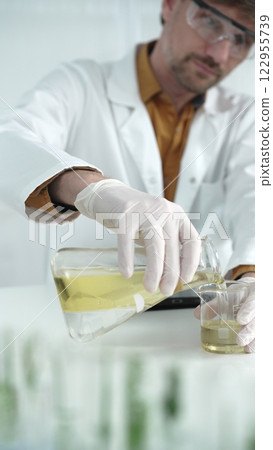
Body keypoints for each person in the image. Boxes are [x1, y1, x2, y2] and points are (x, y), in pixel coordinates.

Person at [0, 0, 255, 351]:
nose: (221, 51)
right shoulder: (82, 85)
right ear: (170, 6)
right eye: (210, 21)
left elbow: (258, 197)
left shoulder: (246, 117)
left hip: (189, 331)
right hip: (84, 322)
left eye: (243, 38)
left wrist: (254, 275)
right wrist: (93, 190)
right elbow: (7, 141)